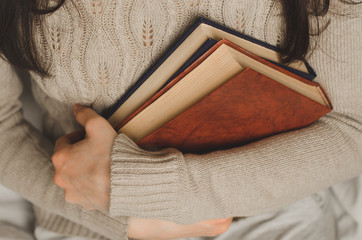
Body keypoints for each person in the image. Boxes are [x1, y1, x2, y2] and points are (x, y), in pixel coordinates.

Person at [0, 0, 361, 239]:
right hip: (88, 221)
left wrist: (161, 192)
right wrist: (124, 221)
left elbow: (353, 126)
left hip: (267, 206)